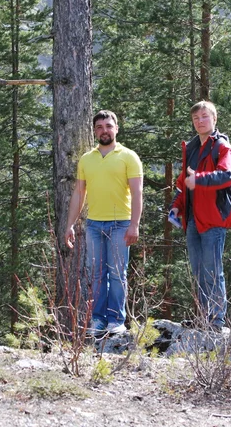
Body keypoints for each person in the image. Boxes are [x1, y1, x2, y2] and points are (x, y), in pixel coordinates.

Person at [65, 110, 143, 336]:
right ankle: (98, 320)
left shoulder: (129, 156)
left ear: (116, 128)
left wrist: (134, 225)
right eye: (99, 127)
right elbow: (79, 194)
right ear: (94, 131)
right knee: (96, 274)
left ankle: (116, 320)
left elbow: (138, 193)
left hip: (121, 224)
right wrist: (70, 224)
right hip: (94, 225)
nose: (104, 130)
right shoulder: (86, 159)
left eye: (108, 126)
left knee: (118, 273)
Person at [169, 101, 231, 331]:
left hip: (213, 220)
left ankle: (217, 321)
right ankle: (203, 318)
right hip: (191, 220)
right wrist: (176, 206)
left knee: (212, 271)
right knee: (199, 272)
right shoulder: (191, 148)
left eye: (204, 116)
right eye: (196, 118)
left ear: (214, 119)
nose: (200, 121)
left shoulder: (222, 146)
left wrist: (199, 178)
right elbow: (182, 185)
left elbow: (227, 175)